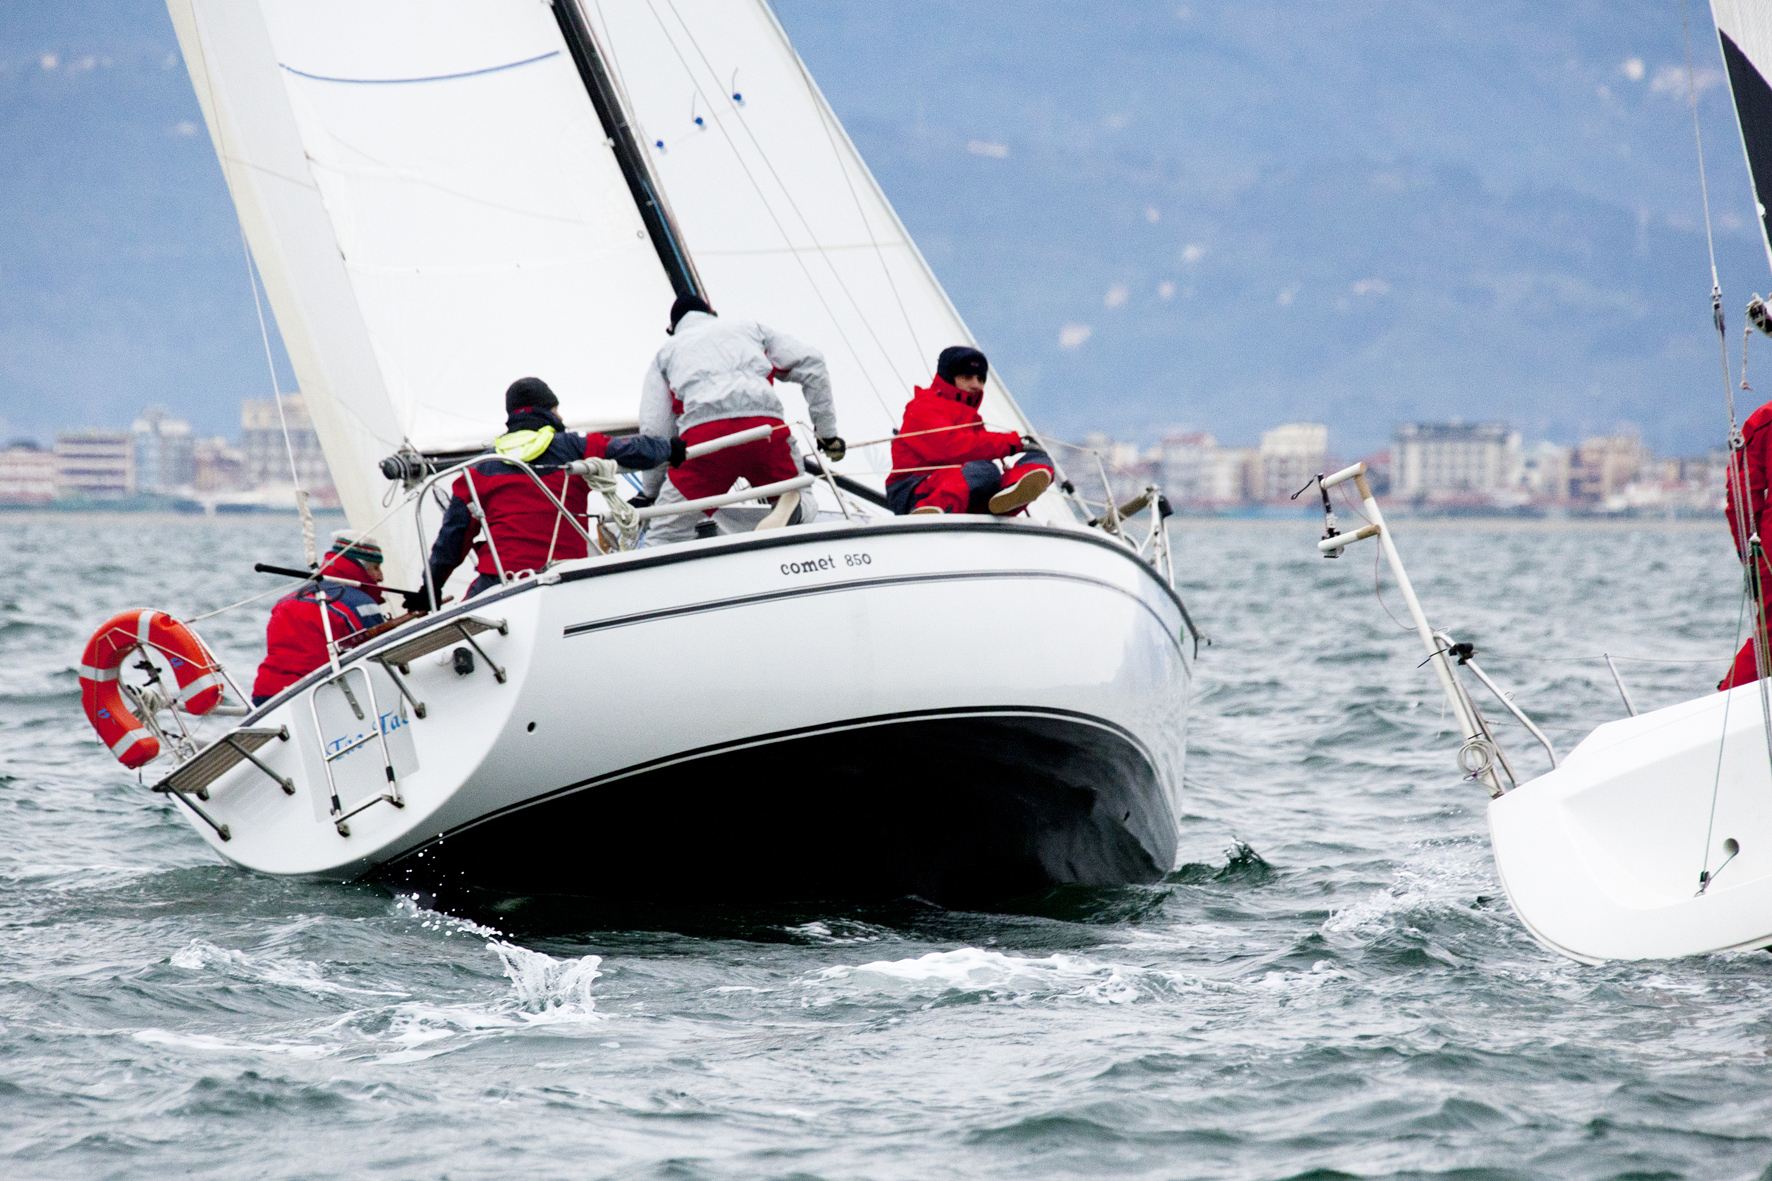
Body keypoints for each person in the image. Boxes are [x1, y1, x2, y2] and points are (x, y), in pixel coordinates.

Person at [423, 377, 682, 601]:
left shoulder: (478, 468)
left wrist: (429, 589)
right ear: (549, 411)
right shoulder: (573, 447)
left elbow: (453, 538)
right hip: (564, 576)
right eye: (557, 410)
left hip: (498, 581)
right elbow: (629, 450)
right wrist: (670, 448)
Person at [636, 294, 843, 545]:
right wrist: (827, 433)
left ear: (672, 328)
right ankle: (795, 506)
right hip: (764, 431)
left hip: (705, 443)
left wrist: (651, 491)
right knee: (801, 492)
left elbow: (655, 427)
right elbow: (812, 363)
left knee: (665, 534)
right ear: (712, 312)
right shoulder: (749, 328)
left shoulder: (666, 352)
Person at [885, 346, 1053, 516]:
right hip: (913, 491)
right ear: (949, 378)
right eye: (967, 377)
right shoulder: (924, 406)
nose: (976, 385)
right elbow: (948, 447)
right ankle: (928, 511)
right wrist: (1012, 443)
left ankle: (1003, 503)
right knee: (985, 471)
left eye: (980, 379)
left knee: (1041, 461)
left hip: (959, 488)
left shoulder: (972, 419)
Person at [251, 531, 389, 705]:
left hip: (265, 696)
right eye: (376, 568)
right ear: (359, 568)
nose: (380, 577)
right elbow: (381, 658)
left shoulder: (286, 602)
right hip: (318, 698)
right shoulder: (361, 604)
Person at [1721, 400, 1772, 689]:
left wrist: (1751, 557)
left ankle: (1722, 714)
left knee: (1769, 643)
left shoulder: (1765, 419)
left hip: (1769, 553)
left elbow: (1741, 494)